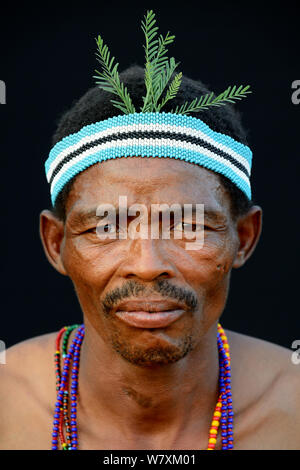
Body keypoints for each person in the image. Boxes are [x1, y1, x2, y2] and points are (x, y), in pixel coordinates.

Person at [1, 37, 300, 450]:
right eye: (106, 229)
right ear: (56, 243)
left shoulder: (293, 408)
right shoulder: (7, 404)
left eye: (189, 226)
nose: (146, 263)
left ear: (243, 238)